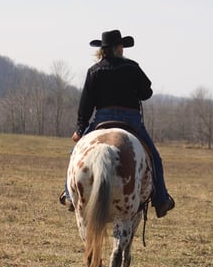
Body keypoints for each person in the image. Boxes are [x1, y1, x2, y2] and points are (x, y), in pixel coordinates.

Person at [59, 29, 175, 218]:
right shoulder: (132, 67)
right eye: (121, 46)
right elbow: (147, 92)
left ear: (103, 50)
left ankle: (70, 196)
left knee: (75, 154)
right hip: (131, 120)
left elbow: (85, 105)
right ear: (118, 48)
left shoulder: (94, 71)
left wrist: (80, 130)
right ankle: (161, 200)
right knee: (154, 157)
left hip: (102, 119)